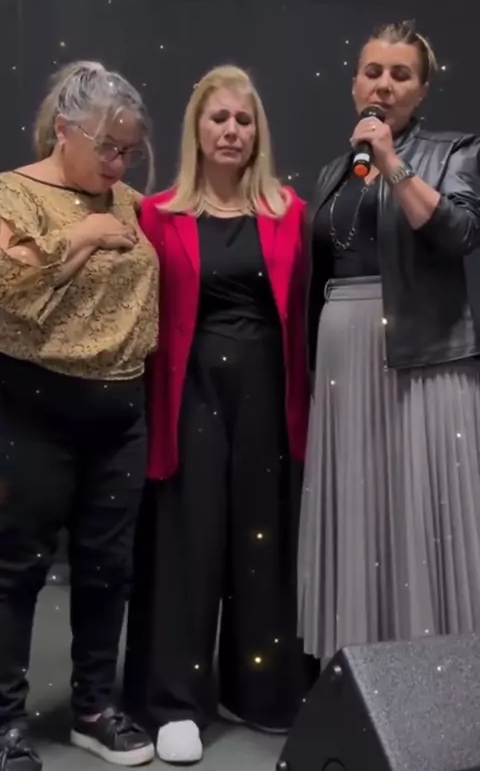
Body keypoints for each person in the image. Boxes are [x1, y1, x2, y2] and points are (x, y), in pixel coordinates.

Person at [123, 65, 311, 764]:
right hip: (189, 391)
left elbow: (304, 313)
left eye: (243, 119)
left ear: (258, 132)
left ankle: (257, 689)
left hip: (267, 392)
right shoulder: (157, 214)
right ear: (197, 129)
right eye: (219, 118)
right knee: (189, 540)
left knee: (262, 540)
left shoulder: (290, 212)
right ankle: (176, 702)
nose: (232, 130)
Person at [298, 20, 480, 662]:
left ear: (421, 91)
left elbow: (458, 233)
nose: (384, 84)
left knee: (421, 510)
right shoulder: (335, 171)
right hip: (343, 354)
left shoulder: (455, 151)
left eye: (400, 75)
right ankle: (359, 666)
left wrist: (393, 164)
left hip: (421, 354)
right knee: (360, 506)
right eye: (372, 71)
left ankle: (440, 668)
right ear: (355, 85)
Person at [0, 61, 159, 770]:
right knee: (17, 568)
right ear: (64, 130)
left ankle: (94, 709)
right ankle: (5, 721)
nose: (119, 164)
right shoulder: (14, 192)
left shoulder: (125, 199)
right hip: (35, 407)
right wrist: (87, 234)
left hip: (121, 412)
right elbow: (9, 285)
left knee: (107, 568)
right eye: (108, 148)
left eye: (130, 150)